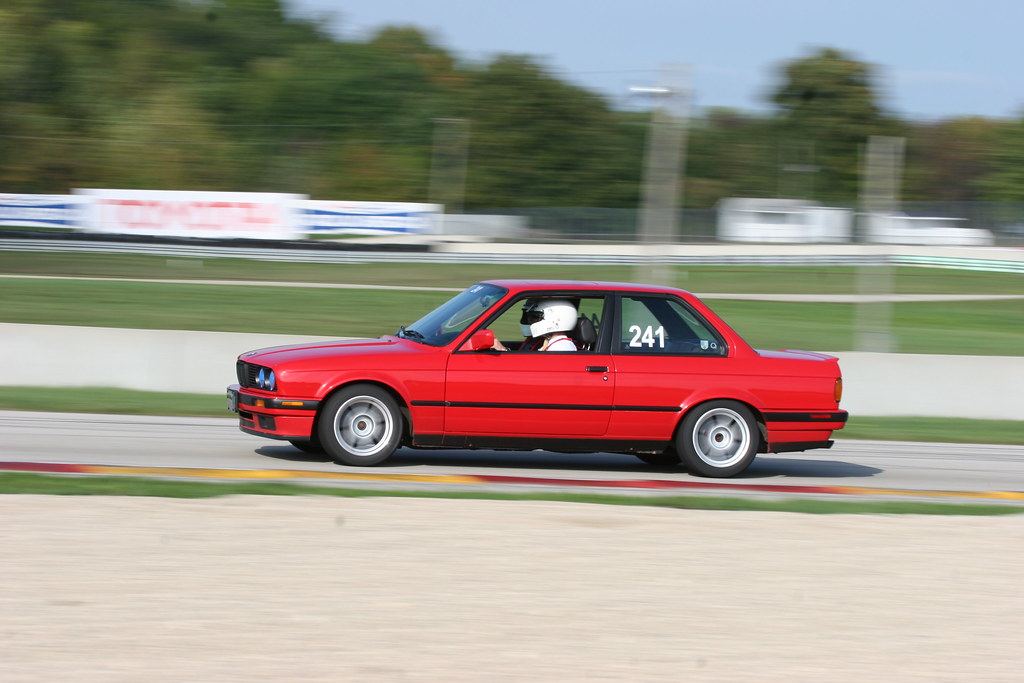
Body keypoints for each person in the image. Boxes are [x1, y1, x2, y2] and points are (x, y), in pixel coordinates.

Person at [492, 299, 578, 352]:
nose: (531, 321)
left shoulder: (561, 347)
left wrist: (503, 350)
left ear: (555, 319)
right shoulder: (547, 342)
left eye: (535, 317)